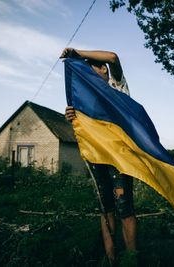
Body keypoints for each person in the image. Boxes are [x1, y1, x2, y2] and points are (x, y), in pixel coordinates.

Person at [60, 48, 137, 265]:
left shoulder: (117, 87)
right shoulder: (86, 99)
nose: (87, 77)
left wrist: (76, 53)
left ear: (103, 70)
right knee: (106, 209)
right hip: (97, 158)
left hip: (119, 159)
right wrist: (71, 116)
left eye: (91, 70)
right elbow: (82, 126)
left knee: (125, 208)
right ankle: (110, 258)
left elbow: (113, 57)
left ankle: (131, 259)